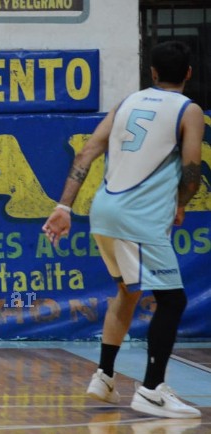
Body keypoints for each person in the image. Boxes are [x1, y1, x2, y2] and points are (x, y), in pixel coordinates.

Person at [42, 40, 202, 419]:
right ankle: (151, 389)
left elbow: (86, 154)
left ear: (152, 73)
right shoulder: (188, 109)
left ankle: (105, 375)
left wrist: (63, 206)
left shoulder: (126, 102)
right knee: (173, 300)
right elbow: (193, 171)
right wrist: (180, 203)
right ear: (189, 74)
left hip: (104, 211)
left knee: (127, 293)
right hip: (139, 218)